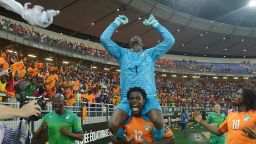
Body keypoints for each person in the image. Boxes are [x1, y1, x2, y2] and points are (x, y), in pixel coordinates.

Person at [100, 14, 175, 141]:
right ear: (130, 44)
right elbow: (104, 39)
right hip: (126, 99)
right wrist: (116, 22)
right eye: (132, 38)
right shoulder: (122, 53)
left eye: (138, 38)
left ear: (142, 43)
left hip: (149, 97)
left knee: (158, 121)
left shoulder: (150, 54)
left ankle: (155, 140)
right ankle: (125, 141)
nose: (135, 38)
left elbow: (170, 40)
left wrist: (155, 24)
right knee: (112, 125)